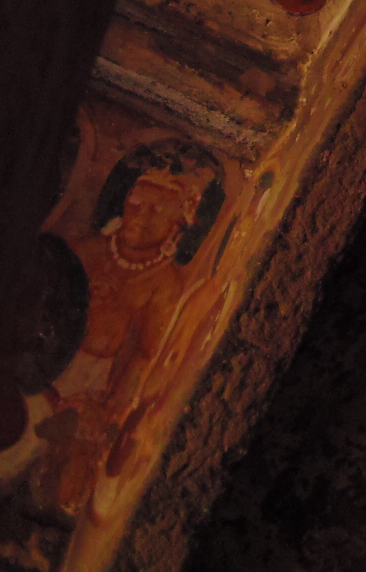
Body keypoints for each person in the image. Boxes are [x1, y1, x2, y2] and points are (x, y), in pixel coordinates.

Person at [43, 142, 221, 514]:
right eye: (137, 202)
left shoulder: (164, 284)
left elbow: (144, 355)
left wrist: (108, 410)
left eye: (159, 209)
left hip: (94, 393)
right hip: (42, 374)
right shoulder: (86, 251)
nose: (142, 215)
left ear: (181, 222)